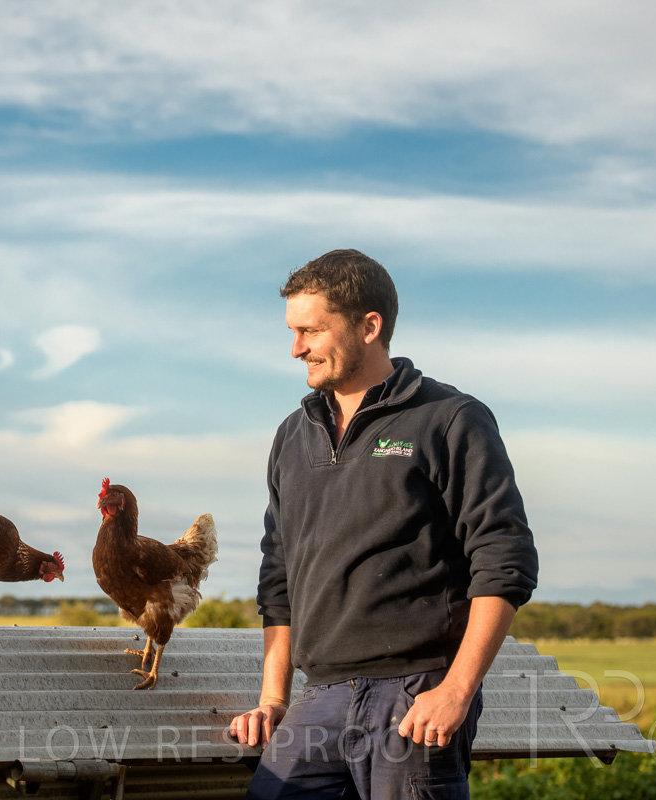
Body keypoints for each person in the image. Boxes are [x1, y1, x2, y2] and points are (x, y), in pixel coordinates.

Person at [229, 249, 538, 799]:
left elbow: (503, 558)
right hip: (319, 696)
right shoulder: (292, 435)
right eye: (293, 332)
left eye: (311, 331)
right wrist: (274, 699)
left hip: (415, 694)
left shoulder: (450, 419)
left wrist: (457, 689)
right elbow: (278, 577)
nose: (296, 348)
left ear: (369, 327)